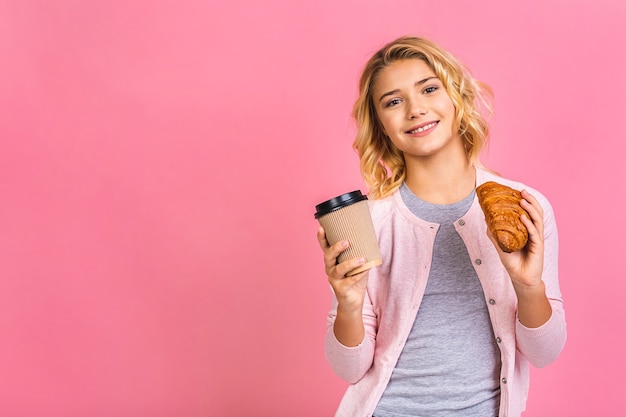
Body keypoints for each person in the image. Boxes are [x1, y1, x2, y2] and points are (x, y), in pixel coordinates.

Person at [316, 36, 566, 417]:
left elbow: (544, 352)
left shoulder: (523, 207)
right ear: (381, 126)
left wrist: (528, 286)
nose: (415, 109)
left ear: (456, 98)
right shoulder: (370, 221)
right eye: (394, 101)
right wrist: (349, 305)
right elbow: (349, 368)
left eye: (429, 89)